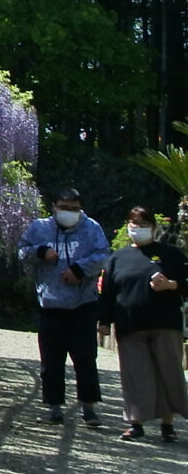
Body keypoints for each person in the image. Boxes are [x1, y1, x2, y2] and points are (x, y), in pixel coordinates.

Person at [18, 187, 111, 426]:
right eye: (64, 208)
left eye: (74, 209)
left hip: (83, 304)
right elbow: (21, 252)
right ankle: (54, 407)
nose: (69, 212)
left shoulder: (92, 228)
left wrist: (80, 270)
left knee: (86, 358)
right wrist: (40, 251)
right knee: (51, 360)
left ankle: (89, 408)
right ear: (54, 207)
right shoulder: (39, 228)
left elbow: (103, 255)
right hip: (51, 303)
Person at [100, 205, 186, 443]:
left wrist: (170, 284)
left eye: (144, 225)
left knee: (167, 372)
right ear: (128, 226)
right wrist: (104, 321)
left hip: (165, 323)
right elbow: (108, 291)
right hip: (129, 324)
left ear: (154, 228)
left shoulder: (172, 254)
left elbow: (185, 282)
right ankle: (135, 423)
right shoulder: (118, 258)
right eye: (134, 224)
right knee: (135, 374)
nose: (138, 229)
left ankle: (168, 425)